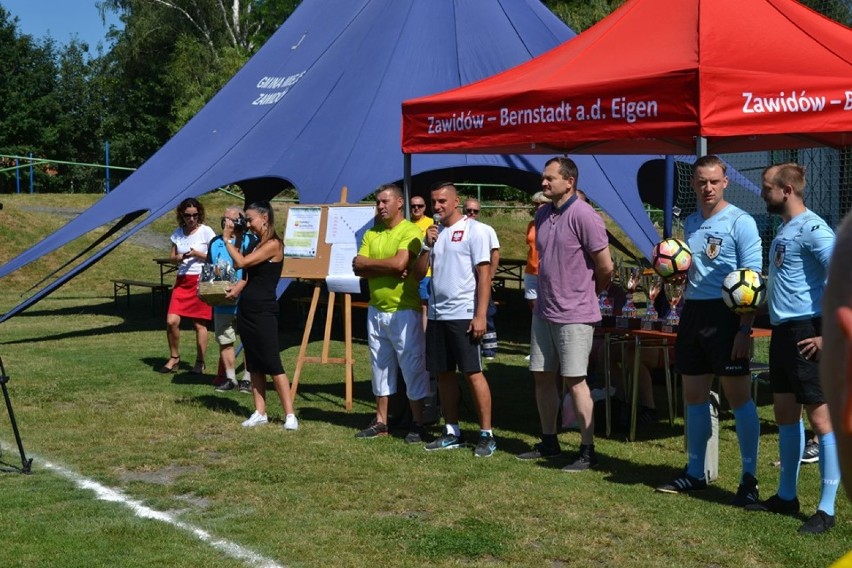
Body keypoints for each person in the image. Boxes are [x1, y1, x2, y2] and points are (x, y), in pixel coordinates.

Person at [655, 155, 762, 506]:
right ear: (693, 184)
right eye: (701, 181)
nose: (708, 187)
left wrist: (744, 329)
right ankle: (695, 471)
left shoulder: (741, 222)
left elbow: (753, 280)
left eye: (714, 181)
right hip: (693, 313)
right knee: (694, 396)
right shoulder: (691, 221)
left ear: (725, 182)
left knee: (739, 398)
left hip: (729, 316)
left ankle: (749, 479)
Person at [744, 163, 839, 534]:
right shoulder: (786, 227)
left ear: (786, 190)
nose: (762, 193)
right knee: (785, 412)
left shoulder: (815, 229)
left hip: (808, 331)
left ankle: (827, 509)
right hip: (783, 333)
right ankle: (786, 496)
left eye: (767, 187)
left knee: (820, 419)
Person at [517, 157, 613, 472]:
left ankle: (587, 450)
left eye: (549, 178)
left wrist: (589, 294)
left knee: (575, 380)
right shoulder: (543, 214)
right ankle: (550, 441)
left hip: (575, 313)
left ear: (569, 181)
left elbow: (605, 265)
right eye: (543, 178)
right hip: (544, 310)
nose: (543, 183)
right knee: (543, 376)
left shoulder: (585, 215)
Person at [413, 182, 496, 457]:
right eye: (433, 201)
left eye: (442, 201)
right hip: (437, 314)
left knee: (473, 373)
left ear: (456, 201)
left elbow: (484, 275)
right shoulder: (434, 234)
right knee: (444, 374)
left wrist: (480, 314)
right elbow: (418, 273)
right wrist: (426, 245)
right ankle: (452, 431)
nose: (437, 207)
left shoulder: (476, 230)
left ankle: (486, 434)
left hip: (463, 315)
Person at [352, 184, 431, 442]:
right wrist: (388, 268)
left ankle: (419, 423)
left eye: (385, 201)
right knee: (379, 367)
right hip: (376, 308)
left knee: (412, 366)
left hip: (403, 309)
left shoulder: (409, 230)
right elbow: (358, 267)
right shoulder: (371, 232)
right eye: (378, 202)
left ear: (399, 202)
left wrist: (374, 265)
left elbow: (400, 263)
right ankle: (381, 421)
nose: (380, 206)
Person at [221, 201, 297, 430]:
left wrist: (227, 238)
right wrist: (237, 289)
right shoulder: (255, 243)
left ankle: (290, 414)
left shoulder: (274, 244)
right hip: (247, 308)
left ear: (265, 218)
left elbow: (240, 262)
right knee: (253, 363)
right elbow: (247, 274)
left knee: (272, 362)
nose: (248, 223)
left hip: (264, 309)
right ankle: (259, 411)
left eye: (251, 219)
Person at [160, 198, 215, 374]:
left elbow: (215, 257)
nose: (191, 219)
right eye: (187, 215)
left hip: (200, 280)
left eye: (195, 215)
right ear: (181, 216)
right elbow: (172, 257)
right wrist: (179, 258)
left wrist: (197, 253)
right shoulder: (178, 233)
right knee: (171, 321)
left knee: (199, 324)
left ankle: (200, 362)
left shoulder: (206, 231)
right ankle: (174, 358)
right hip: (182, 281)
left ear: (199, 214)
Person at [207, 205, 257, 393]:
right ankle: (230, 378)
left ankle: (248, 377)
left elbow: (253, 271)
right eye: (224, 218)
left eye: (231, 219)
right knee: (225, 339)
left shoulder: (251, 241)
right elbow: (209, 270)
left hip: (245, 300)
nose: (227, 222)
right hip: (223, 302)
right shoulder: (215, 242)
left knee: (249, 340)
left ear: (241, 221)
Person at [463, 197, 500, 360]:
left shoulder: (486, 229)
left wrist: (490, 276)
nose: (471, 213)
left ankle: (489, 349)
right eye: (468, 210)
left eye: (475, 211)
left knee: (487, 312)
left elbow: (495, 254)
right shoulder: (456, 228)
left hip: (481, 279)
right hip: (464, 282)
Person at [524, 191, 550, 312]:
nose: (538, 206)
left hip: (547, 271)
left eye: (542, 203)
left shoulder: (555, 224)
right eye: (536, 203)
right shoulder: (531, 225)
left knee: (548, 306)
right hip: (531, 270)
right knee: (532, 305)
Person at [410, 195, 433, 330]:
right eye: (413, 206)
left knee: (425, 305)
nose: (416, 208)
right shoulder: (406, 225)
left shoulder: (432, 223)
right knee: (413, 304)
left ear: (425, 208)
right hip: (410, 272)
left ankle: (425, 336)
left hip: (427, 272)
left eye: (420, 206)